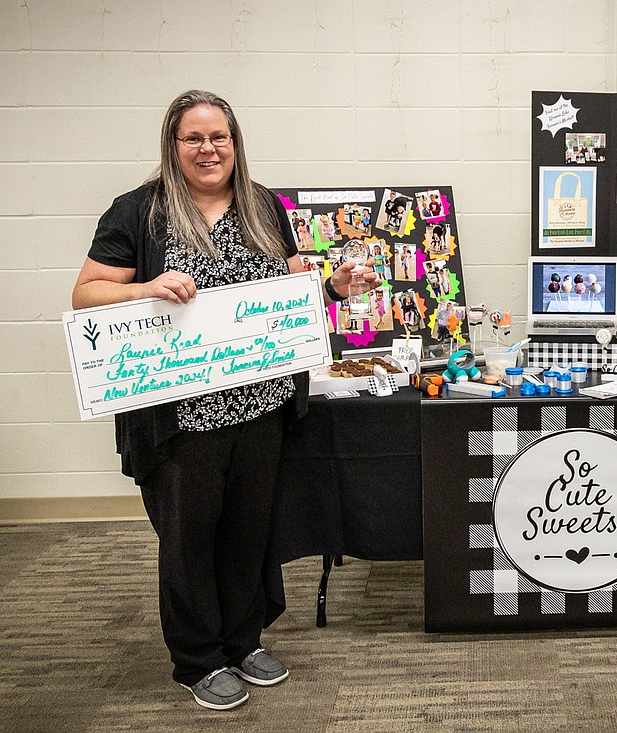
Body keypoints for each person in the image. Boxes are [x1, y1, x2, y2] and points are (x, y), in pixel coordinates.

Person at [70, 90, 377, 711]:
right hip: (180, 414)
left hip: (259, 404)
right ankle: (198, 659)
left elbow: (292, 282)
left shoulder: (262, 205)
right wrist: (149, 287)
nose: (208, 150)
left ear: (235, 144)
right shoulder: (139, 212)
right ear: (173, 146)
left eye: (220, 138)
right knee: (189, 535)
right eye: (194, 139)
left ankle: (243, 641)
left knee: (247, 529)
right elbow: (85, 293)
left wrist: (332, 285)